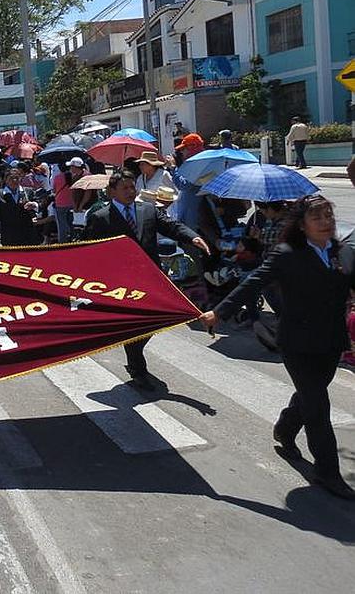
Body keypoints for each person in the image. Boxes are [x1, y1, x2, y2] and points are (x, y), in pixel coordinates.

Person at [201, 195, 355, 500]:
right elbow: (253, 282)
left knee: (311, 394)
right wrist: (219, 313)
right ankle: (327, 472)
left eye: (328, 215)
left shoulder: (343, 252)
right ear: (302, 225)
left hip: (331, 341)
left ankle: (285, 428)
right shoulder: (287, 254)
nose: (325, 222)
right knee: (318, 405)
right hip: (298, 342)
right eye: (317, 217)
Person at [85, 170, 210, 390]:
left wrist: (193, 237)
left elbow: (172, 226)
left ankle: (133, 352)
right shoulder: (101, 217)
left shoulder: (148, 210)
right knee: (135, 325)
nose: (130, 192)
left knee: (157, 319)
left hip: (152, 278)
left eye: (132, 187)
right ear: (112, 191)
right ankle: (137, 369)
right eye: (124, 188)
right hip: (122, 284)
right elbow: (89, 252)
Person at [0, 165, 44, 247]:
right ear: (6, 180)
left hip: (28, 235)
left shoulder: (28, 192)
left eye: (17, 178)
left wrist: (34, 205)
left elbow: (40, 204)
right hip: (9, 236)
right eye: (11, 178)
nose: (14, 180)